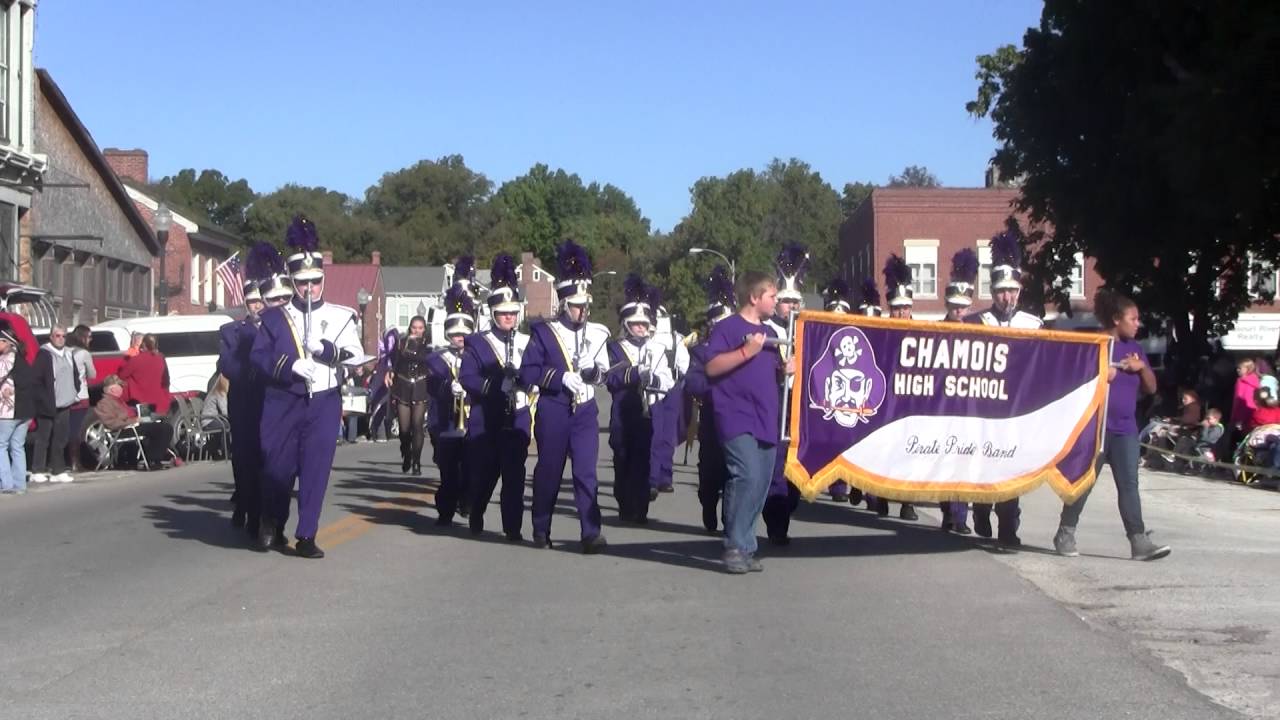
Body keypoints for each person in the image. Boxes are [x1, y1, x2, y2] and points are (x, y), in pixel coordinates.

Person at [251, 214, 363, 559]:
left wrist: (327, 350)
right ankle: (272, 519)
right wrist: (290, 366)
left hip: (324, 401)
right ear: (293, 281)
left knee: (315, 469)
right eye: (302, 282)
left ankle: (307, 534)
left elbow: (356, 357)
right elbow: (258, 358)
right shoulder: (273, 318)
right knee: (278, 467)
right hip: (284, 400)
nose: (310, 289)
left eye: (315, 281)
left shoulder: (343, 316)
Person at [1054, 290, 1170, 561]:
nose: (1138, 323)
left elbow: (1152, 388)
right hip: (1096, 427)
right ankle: (1065, 532)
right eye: (1134, 318)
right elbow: (1073, 380)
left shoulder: (1136, 349)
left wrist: (1142, 368)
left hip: (1126, 429)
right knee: (1084, 482)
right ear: (1117, 319)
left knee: (1129, 485)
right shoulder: (1095, 344)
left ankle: (1138, 541)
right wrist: (1102, 374)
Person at [520, 240, 612, 553]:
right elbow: (529, 372)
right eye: (576, 305)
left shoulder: (599, 333)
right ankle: (541, 527)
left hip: (585, 411)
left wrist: (593, 373)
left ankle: (591, 532)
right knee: (549, 470)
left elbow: (607, 375)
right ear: (563, 303)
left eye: (585, 305)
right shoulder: (544, 333)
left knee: (586, 473)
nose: (582, 311)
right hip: (554, 408)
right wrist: (560, 378)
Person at [705, 270, 790, 574]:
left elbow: (768, 372)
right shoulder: (727, 328)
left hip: (766, 417)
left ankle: (745, 544)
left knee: (762, 482)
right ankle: (733, 544)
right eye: (771, 295)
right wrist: (746, 350)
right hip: (735, 416)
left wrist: (784, 370)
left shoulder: (770, 332)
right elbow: (712, 367)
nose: (776, 300)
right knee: (747, 475)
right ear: (755, 297)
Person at [964, 231, 1043, 548]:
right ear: (992, 293)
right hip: (984, 413)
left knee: (1012, 474)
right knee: (985, 470)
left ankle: (1009, 529)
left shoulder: (1033, 324)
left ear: (1019, 291)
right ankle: (981, 511)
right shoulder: (975, 323)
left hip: (1017, 413)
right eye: (1001, 292)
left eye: (1012, 291)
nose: (1007, 298)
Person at [218, 241, 292, 538]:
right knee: (246, 460)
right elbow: (227, 366)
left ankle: (271, 519)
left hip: (274, 402)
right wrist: (253, 362)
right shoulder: (232, 331)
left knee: (274, 463)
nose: (257, 307)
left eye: (261, 301)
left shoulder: (282, 326)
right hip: (246, 402)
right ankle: (247, 509)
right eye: (252, 302)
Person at [461, 254, 532, 540]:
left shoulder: (527, 342)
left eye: (513, 313)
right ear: (493, 314)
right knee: (486, 474)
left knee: (514, 476)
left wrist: (527, 380)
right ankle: (476, 510)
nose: (509, 318)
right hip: (486, 419)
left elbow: (536, 374)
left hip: (517, 417)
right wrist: (493, 386)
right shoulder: (477, 343)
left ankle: (512, 528)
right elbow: (467, 377)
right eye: (504, 313)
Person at [606, 275, 675, 524]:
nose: (640, 329)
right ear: (626, 324)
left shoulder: (657, 348)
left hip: (649, 411)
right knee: (623, 457)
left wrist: (655, 381)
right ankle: (625, 503)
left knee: (644, 458)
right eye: (635, 324)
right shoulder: (614, 348)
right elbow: (610, 379)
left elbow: (668, 379)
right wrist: (635, 374)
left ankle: (641, 507)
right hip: (623, 413)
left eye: (644, 324)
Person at [761, 243, 807, 546]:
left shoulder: (809, 331)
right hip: (774, 408)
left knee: (797, 477)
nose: (790, 307)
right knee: (776, 471)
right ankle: (777, 527)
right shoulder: (764, 331)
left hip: (801, 410)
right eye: (785, 301)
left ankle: (785, 509)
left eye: (795, 301)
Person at [687, 265, 736, 532]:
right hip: (711, 418)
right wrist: (716, 388)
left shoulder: (745, 348)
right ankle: (708, 504)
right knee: (709, 473)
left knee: (734, 473)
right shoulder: (700, 351)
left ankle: (731, 520)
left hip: (737, 420)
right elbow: (693, 381)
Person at [426, 285, 475, 525]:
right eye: (455, 332)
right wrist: (448, 386)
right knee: (448, 470)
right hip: (445, 422)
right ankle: (445, 510)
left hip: (472, 422)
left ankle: (466, 500)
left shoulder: (477, 358)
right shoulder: (437, 359)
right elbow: (433, 386)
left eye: (464, 332)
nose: (460, 336)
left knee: (470, 467)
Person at [938, 249, 979, 534]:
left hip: (970, 407)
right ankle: (947, 513)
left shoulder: (980, 331)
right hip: (943, 407)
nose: (959, 312)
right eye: (954, 306)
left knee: (963, 461)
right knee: (944, 461)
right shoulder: (937, 331)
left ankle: (961, 517)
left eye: (963, 307)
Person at [876, 255, 920, 521]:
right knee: (885, 453)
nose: (901, 313)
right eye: (896, 308)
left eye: (905, 308)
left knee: (910, 455)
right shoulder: (879, 330)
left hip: (912, 401)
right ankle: (880, 497)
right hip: (887, 400)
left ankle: (908, 503)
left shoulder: (922, 331)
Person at [819, 277, 860, 505]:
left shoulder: (855, 335)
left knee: (849, 441)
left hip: (851, 395)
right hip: (829, 394)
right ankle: (837, 484)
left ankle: (848, 482)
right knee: (832, 441)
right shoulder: (820, 336)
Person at [646, 302, 690, 499]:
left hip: (662, 389)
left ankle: (657, 478)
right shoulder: (675, 339)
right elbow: (684, 366)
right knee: (664, 435)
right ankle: (662, 477)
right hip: (660, 388)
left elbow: (683, 365)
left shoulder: (667, 339)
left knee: (661, 434)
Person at [93, 375, 176, 468]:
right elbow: (112, 423)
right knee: (163, 429)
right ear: (112, 389)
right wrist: (134, 420)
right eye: (120, 387)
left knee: (163, 426)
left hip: (132, 426)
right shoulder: (104, 403)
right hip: (121, 431)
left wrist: (141, 417)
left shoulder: (118, 401)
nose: (122, 389)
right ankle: (153, 459)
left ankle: (154, 457)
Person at [31, 326, 77, 484]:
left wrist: (74, 391)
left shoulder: (69, 353)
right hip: (48, 403)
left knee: (61, 438)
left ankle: (57, 470)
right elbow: (36, 380)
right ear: (51, 337)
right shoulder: (44, 354)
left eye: (64, 336)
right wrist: (43, 400)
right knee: (43, 438)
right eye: (57, 335)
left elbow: (75, 375)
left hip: (65, 402)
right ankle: (37, 470)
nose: (61, 339)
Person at [386, 316, 430, 474]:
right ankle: (406, 453)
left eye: (420, 328)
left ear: (424, 329)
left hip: (420, 384)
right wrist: (390, 372)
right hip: (403, 384)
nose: (417, 330)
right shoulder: (402, 342)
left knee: (417, 425)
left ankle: (417, 462)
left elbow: (425, 359)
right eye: (414, 327)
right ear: (410, 328)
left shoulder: (428, 344)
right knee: (404, 429)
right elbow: (395, 361)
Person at [0, 316, 36, 494]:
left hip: (10, 411)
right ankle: (19, 483)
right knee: (17, 445)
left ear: (8, 342)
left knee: (1, 445)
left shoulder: (6, 359)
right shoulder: (23, 360)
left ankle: (6, 483)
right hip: (27, 411)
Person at [65, 324, 96, 472]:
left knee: (66, 428)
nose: (91, 340)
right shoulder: (84, 353)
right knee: (76, 430)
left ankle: (63, 460)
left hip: (64, 396)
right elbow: (92, 374)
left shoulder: (64, 351)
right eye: (89, 337)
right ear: (83, 337)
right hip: (81, 395)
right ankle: (75, 462)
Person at [119, 334, 171, 415]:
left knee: (145, 423)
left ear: (143, 344)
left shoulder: (135, 360)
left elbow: (121, 376)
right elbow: (166, 380)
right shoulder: (160, 358)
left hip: (141, 401)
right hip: (159, 401)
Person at [1230, 358, 1261, 439]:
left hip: (1243, 413)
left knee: (1243, 438)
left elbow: (1240, 400)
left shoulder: (1241, 381)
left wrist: (1235, 417)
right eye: (1237, 368)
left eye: (1240, 368)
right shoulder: (1255, 380)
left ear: (1248, 369)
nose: (1237, 370)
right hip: (1253, 412)